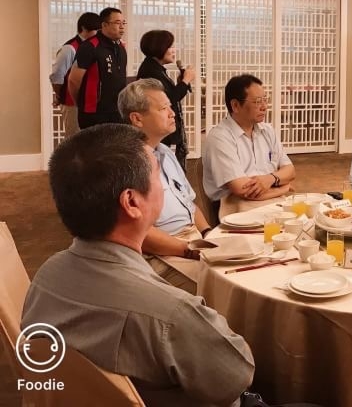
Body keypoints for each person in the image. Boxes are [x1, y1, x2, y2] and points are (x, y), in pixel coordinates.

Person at [21, 124, 255, 405]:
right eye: (157, 174)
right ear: (131, 202)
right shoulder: (171, 314)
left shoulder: (45, 276)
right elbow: (236, 376)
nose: (163, 185)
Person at [118, 79, 211, 294]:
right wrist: (189, 250)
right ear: (137, 118)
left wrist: (208, 234)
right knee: (220, 287)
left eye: (170, 107)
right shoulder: (127, 164)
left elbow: (189, 203)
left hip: (191, 240)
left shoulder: (165, 152)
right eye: (163, 109)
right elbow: (139, 232)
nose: (172, 113)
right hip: (161, 253)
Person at [203, 74, 296, 204]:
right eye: (257, 101)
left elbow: (290, 171)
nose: (264, 106)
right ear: (235, 105)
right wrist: (284, 188)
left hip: (269, 198)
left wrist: (270, 179)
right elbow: (243, 190)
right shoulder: (220, 138)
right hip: (234, 205)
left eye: (265, 99)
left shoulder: (267, 130)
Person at [137, 29, 196, 170]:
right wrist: (186, 81)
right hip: (157, 126)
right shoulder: (151, 71)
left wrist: (181, 83)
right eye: (170, 46)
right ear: (158, 47)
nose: (174, 50)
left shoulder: (156, 68)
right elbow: (169, 99)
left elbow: (168, 93)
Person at [68, 7, 128, 129]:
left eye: (123, 23)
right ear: (104, 25)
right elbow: (73, 80)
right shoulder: (90, 46)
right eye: (117, 23)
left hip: (117, 111)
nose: (122, 27)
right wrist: (80, 103)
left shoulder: (120, 47)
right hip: (94, 113)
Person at [49, 12, 101, 138]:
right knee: (74, 138)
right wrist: (59, 96)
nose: (97, 34)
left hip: (93, 102)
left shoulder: (97, 46)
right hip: (72, 102)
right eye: (95, 30)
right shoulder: (69, 48)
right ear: (83, 28)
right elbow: (57, 76)